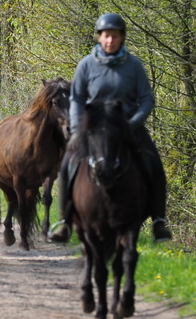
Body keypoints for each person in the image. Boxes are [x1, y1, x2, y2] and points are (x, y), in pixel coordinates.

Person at [49, 13, 172, 244]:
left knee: (154, 164)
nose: (110, 41)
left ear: (122, 38)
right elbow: (76, 99)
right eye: (106, 36)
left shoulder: (133, 66)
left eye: (115, 36)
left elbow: (146, 99)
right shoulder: (87, 64)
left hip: (127, 127)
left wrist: (134, 123)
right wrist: (77, 129)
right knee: (67, 165)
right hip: (93, 129)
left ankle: (159, 221)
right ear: (99, 37)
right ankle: (64, 222)